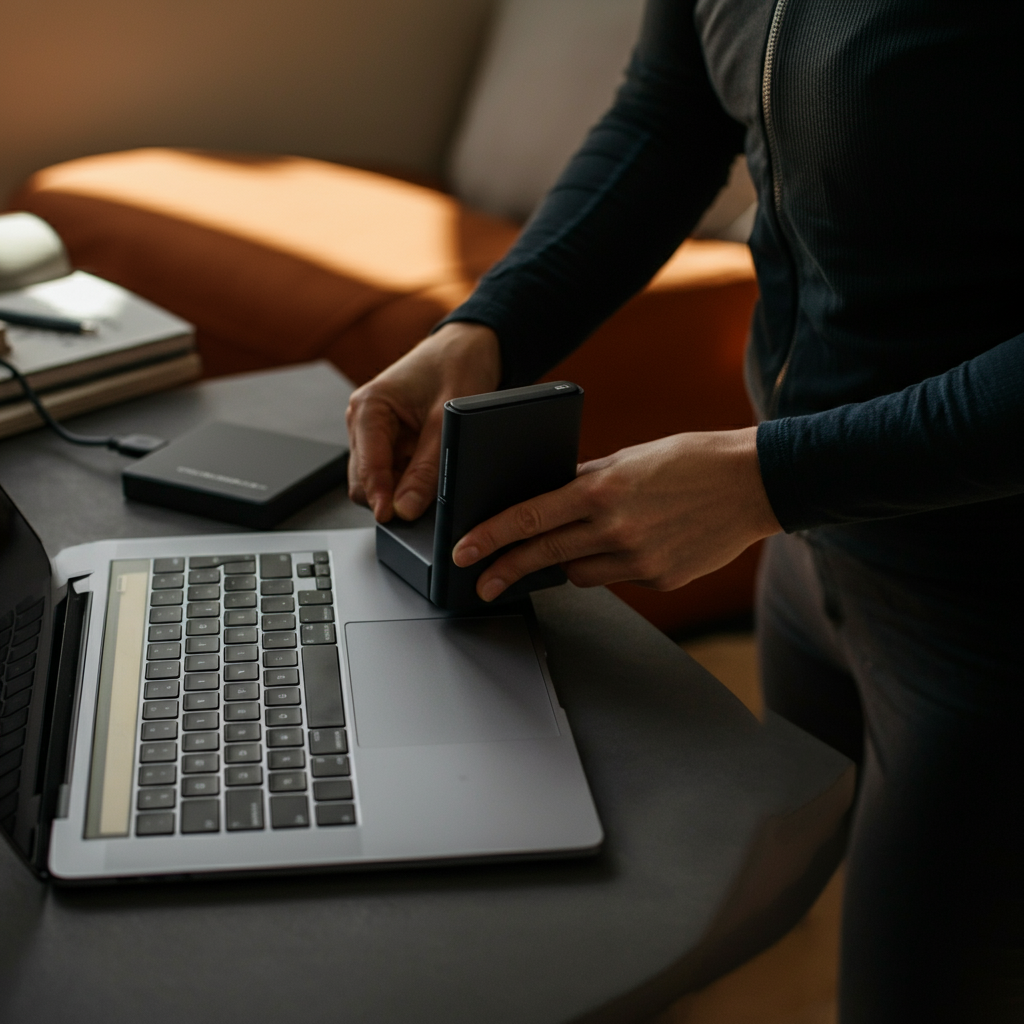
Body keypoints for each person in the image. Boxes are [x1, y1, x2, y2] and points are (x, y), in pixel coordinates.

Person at [346, 1, 1023, 1020]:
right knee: (789, 912)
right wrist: (491, 324)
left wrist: (765, 478)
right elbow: (671, 117)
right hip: (812, 554)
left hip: (988, 599)